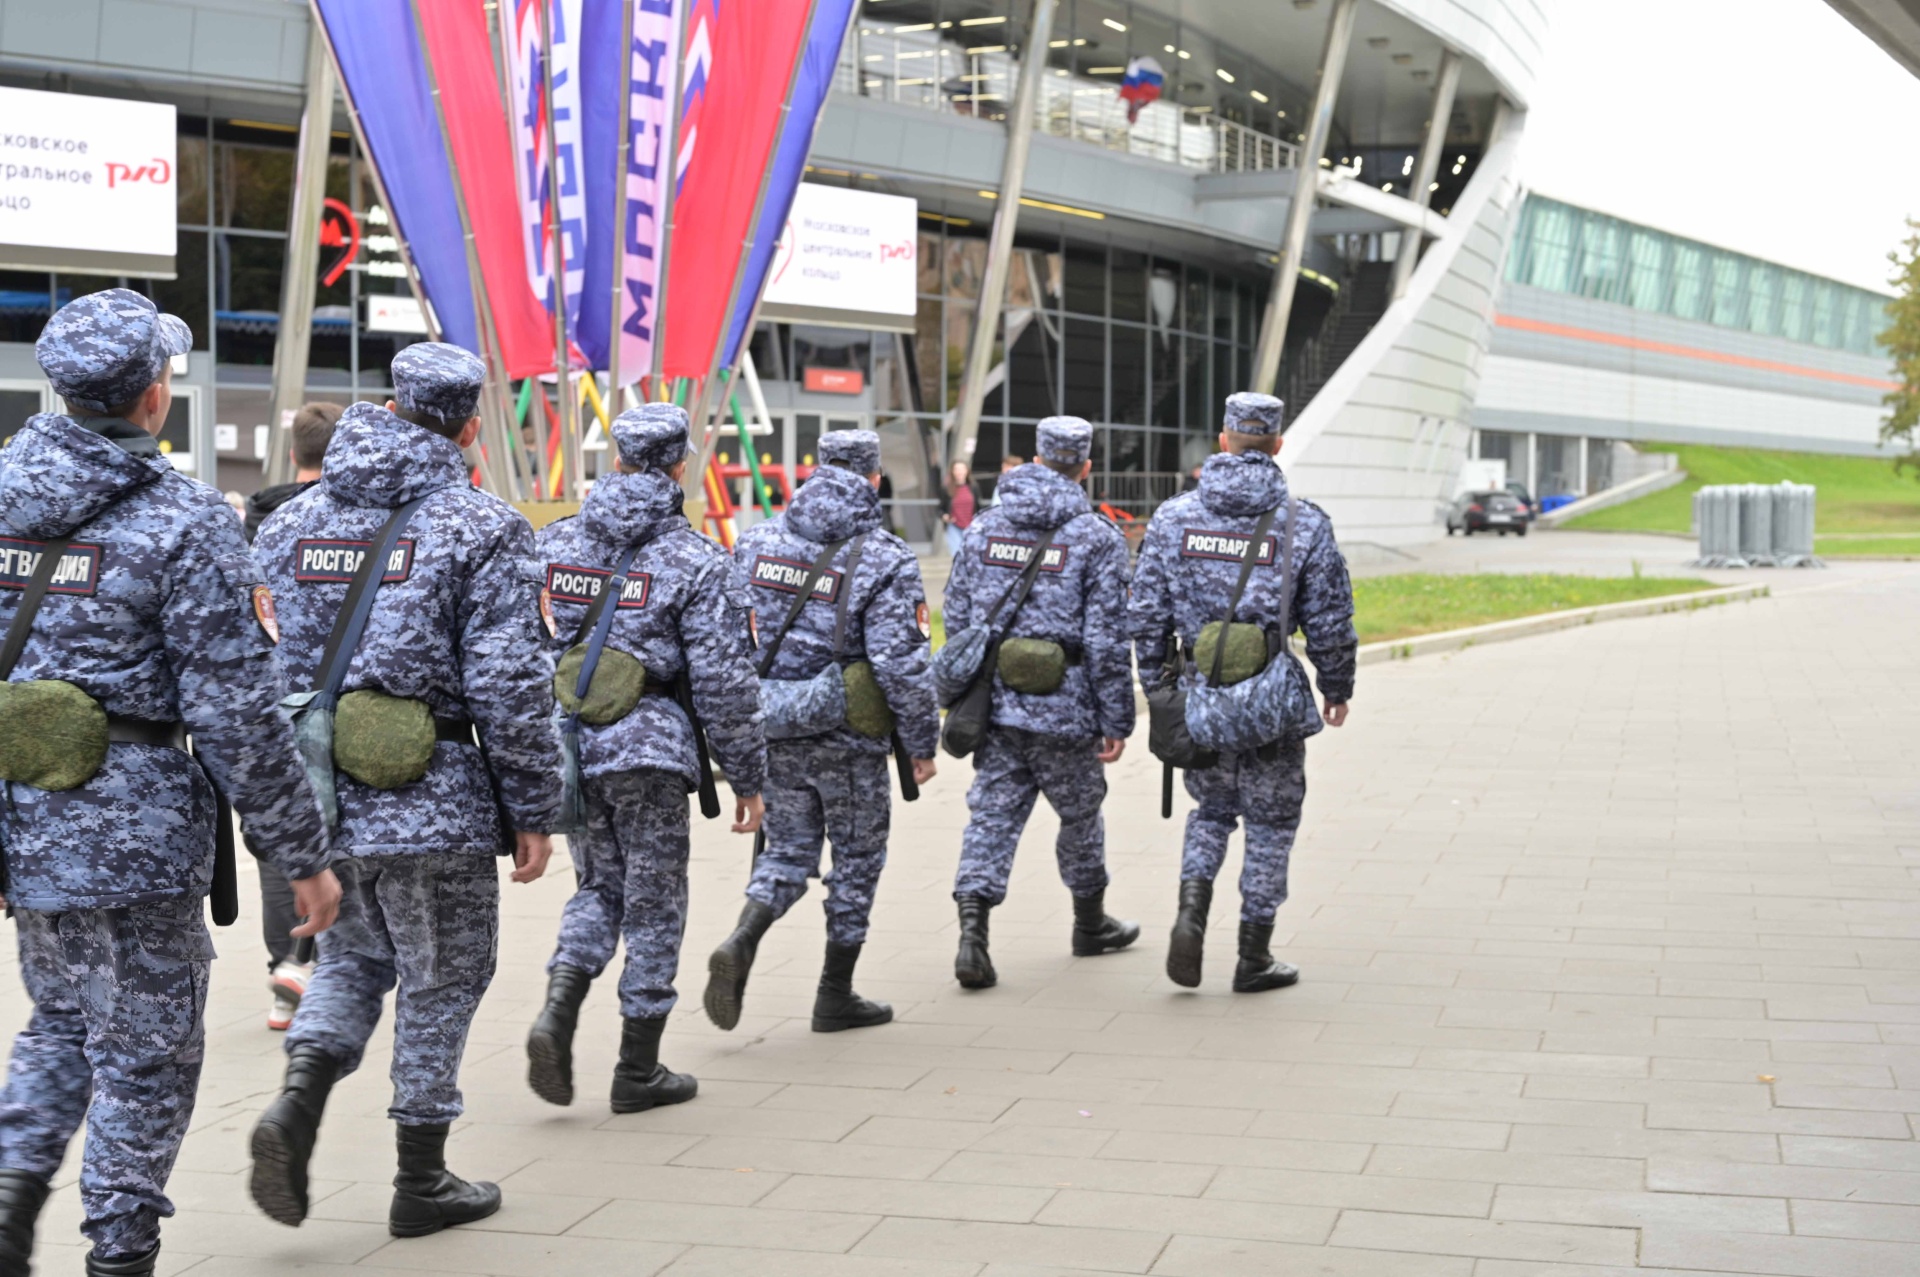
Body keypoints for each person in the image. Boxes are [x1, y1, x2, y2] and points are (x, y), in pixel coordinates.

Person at [0, 289, 341, 1277]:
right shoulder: (186, 518)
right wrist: (299, 854)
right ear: (155, 395)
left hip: (26, 820)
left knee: (61, 1019)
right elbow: (236, 707)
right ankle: (119, 1253)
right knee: (146, 1052)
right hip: (134, 833)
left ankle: (14, 1194)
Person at [247, 344, 564, 1238]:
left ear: (389, 407)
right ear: (469, 426)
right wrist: (533, 809)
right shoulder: (483, 526)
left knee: (352, 960)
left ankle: (297, 1102)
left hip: (323, 790)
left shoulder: (289, 523)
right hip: (438, 795)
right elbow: (509, 683)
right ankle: (422, 1177)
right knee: (444, 974)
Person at [525, 403, 768, 1113]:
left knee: (598, 885)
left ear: (617, 460)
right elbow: (724, 681)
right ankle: (638, 1067)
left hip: (569, 742)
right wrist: (748, 775)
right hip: (650, 749)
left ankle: (559, 1005)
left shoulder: (555, 545)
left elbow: (522, 650)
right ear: (680, 465)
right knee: (656, 900)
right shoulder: (697, 559)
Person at [705, 429, 938, 1034]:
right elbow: (900, 664)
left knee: (786, 850)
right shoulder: (884, 556)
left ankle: (743, 936)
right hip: (848, 741)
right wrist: (920, 743)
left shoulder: (755, 542)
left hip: (772, 727)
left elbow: (727, 642)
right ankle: (835, 993)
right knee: (857, 857)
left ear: (814, 469)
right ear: (874, 479)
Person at [1129, 392, 1356, 992]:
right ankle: (1254, 955)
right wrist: (1336, 685)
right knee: (1272, 822)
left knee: (1210, 813)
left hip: (1200, 699)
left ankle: (1190, 916)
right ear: (1277, 444)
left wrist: (1158, 689)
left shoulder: (1174, 517)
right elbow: (1330, 618)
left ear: (1224, 439)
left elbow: (1146, 613)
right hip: (1272, 706)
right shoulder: (1302, 521)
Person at [944, 417, 1138, 988]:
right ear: (1085, 467)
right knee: (1080, 813)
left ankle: (972, 936)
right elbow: (1106, 639)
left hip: (995, 706)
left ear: (1033, 457)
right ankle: (1090, 922)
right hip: (1067, 709)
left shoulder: (983, 529)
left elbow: (958, 618)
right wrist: (1116, 718)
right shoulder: (1096, 537)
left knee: (992, 815)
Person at [245, 400, 345, 1030]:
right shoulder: (346, 524)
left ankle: (285, 960)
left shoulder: (252, 522)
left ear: (293, 455)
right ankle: (313, 961)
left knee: (274, 847)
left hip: (268, 704)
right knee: (331, 836)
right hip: (331, 705)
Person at [940, 459, 976, 557]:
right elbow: (940, 509)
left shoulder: (973, 487)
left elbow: (979, 507)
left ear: (967, 471)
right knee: (957, 555)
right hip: (954, 526)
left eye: (962, 469)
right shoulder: (947, 489)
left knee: (970, 555)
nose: (959, 472)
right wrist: (944, 516)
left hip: (971, 527)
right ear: (952, 472)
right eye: (956, 469)